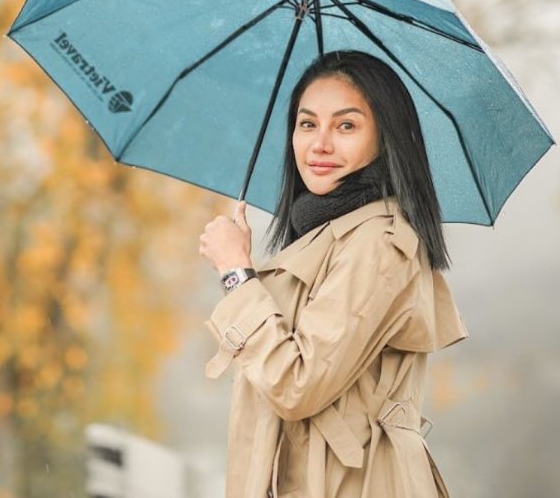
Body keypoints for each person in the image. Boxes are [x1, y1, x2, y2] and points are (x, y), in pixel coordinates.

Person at [198, 50, 468, 498]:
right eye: (307, 124)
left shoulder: (381, 243)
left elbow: (297, 383)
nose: (319, 144)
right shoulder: (327, 236)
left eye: (346, 126)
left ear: (385, 137)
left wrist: (236, 274)